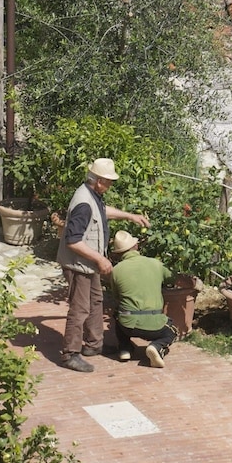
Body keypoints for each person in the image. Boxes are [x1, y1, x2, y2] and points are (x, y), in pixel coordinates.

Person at [57, 158, 150, 373]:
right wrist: (100, 259)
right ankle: (70, 354)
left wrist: (130, 216)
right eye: (109, 181)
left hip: (89, 264)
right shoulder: (83, 203)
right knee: (80, 308)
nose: (110, 185)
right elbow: (73, 241)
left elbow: (101, 211)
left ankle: (94, 345)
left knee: (96, 300)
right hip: (78, 265)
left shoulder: (93, 196)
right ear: (99, 181)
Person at [110, 230, 177, 368]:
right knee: (172, 331)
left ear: (118, 253)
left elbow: (116, 297)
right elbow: (173, 278)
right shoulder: (156, 264)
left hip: (127, 325)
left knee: (118, 313)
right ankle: (156, 346)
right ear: (136, 246)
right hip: (154, 325)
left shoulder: (116, 270)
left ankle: (125, 349)